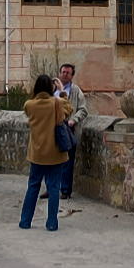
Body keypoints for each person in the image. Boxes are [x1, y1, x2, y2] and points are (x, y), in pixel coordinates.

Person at [19, 74, 71, 232]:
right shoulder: (56, 103)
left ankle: (25, 221)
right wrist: (62, 92)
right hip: (55, 153)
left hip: (37, 153)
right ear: (51, 87)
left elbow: (28, 113)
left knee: (33, 186)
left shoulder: (29, 105)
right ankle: (51, 223)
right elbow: (69, 110)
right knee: (54, 187)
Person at [51, 63, 88, 199]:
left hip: (68, 128)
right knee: (52, 160)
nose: (65, 75)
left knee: (67, 160)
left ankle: (65, 190)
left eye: (68, 73)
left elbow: (83, 109)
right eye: (63, 72)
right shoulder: (53, 89)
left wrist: (74, 120)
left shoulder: (75, 91)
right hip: (53, 127)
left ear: (72, 76)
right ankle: (51, 188)